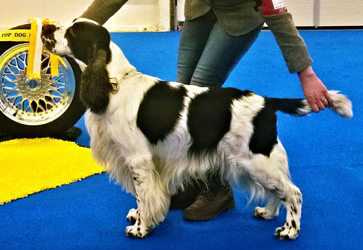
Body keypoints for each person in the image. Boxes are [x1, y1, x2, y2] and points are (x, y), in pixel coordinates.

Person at [79, 0, 331, 221]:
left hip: (237, 17)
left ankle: (216, 190)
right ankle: (188, 180)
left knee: (199, 94)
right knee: (179, 100)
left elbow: (275, 5)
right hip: (199, 10)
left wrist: (305, 71)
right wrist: (84, 24)